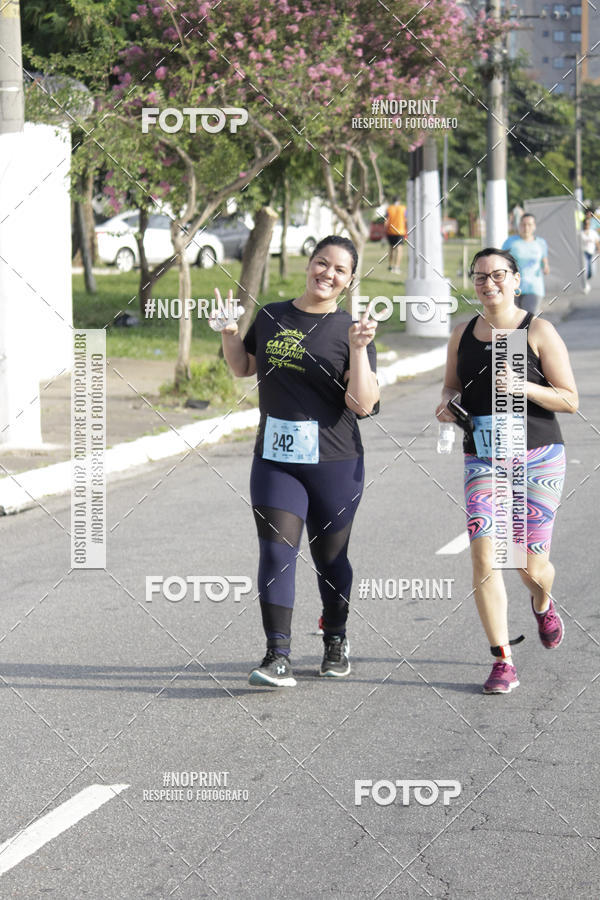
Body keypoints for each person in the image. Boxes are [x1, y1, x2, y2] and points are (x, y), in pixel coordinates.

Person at [216, 235, 379, 687]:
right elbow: (243, 367)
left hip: (335, 462)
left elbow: (362, 404)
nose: (327, 273)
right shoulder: (272, 315)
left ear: (348, 281)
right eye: (321, 263)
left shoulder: (351, 330)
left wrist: (360, 349)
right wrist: (230, 333)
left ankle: (336, 636)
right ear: (308, 265)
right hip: (276, 459)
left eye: (339, 270)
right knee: (276, 551)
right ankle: (278, 656)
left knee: (330, 560)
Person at [435, 248, 578, 694]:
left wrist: (524, 386)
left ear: (516, 280)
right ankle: (502, 660)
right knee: (486, 555)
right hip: (483, 455)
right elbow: (450, 386)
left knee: (530, 566)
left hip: (537, 455)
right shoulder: (462, 334)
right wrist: (445, 404)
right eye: (479, 277)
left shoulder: (537, 330)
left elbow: (570, 399)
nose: (488, 283)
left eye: (498, 275)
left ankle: (542, 602)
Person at [502, 213, 549, 315]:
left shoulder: (540, 243)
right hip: (512, 287)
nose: (526, 228)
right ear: (519, 226)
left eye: (529, 224)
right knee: (512, 320)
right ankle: (519, 332)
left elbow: (544, 261)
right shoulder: (510, 242)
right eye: (523, 224)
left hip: (533, 287)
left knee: (527, 319)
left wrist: (545, 267)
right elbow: (501, 261)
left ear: (534, 226)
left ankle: (527, 331)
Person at [385, 197, 407, 274]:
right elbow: (406, 219)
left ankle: (390, 266)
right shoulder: (403, 208)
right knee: (399, 250)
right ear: (399, 201)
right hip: (400, 231)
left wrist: (385, 231)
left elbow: (386, 221)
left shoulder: (389, 208)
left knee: (391, 248)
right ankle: (396, 267)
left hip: (390, 231)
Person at [580, 217, 600, 292]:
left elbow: (597, 241)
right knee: (586, 270)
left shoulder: (592, 232)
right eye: (586, 223)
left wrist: (598, 248)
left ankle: (586, 281)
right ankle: (585, 284)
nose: (587, 225)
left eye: (588, 224)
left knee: (592, 272)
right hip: (584, 253)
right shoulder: (581, 233)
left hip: (592, 253)